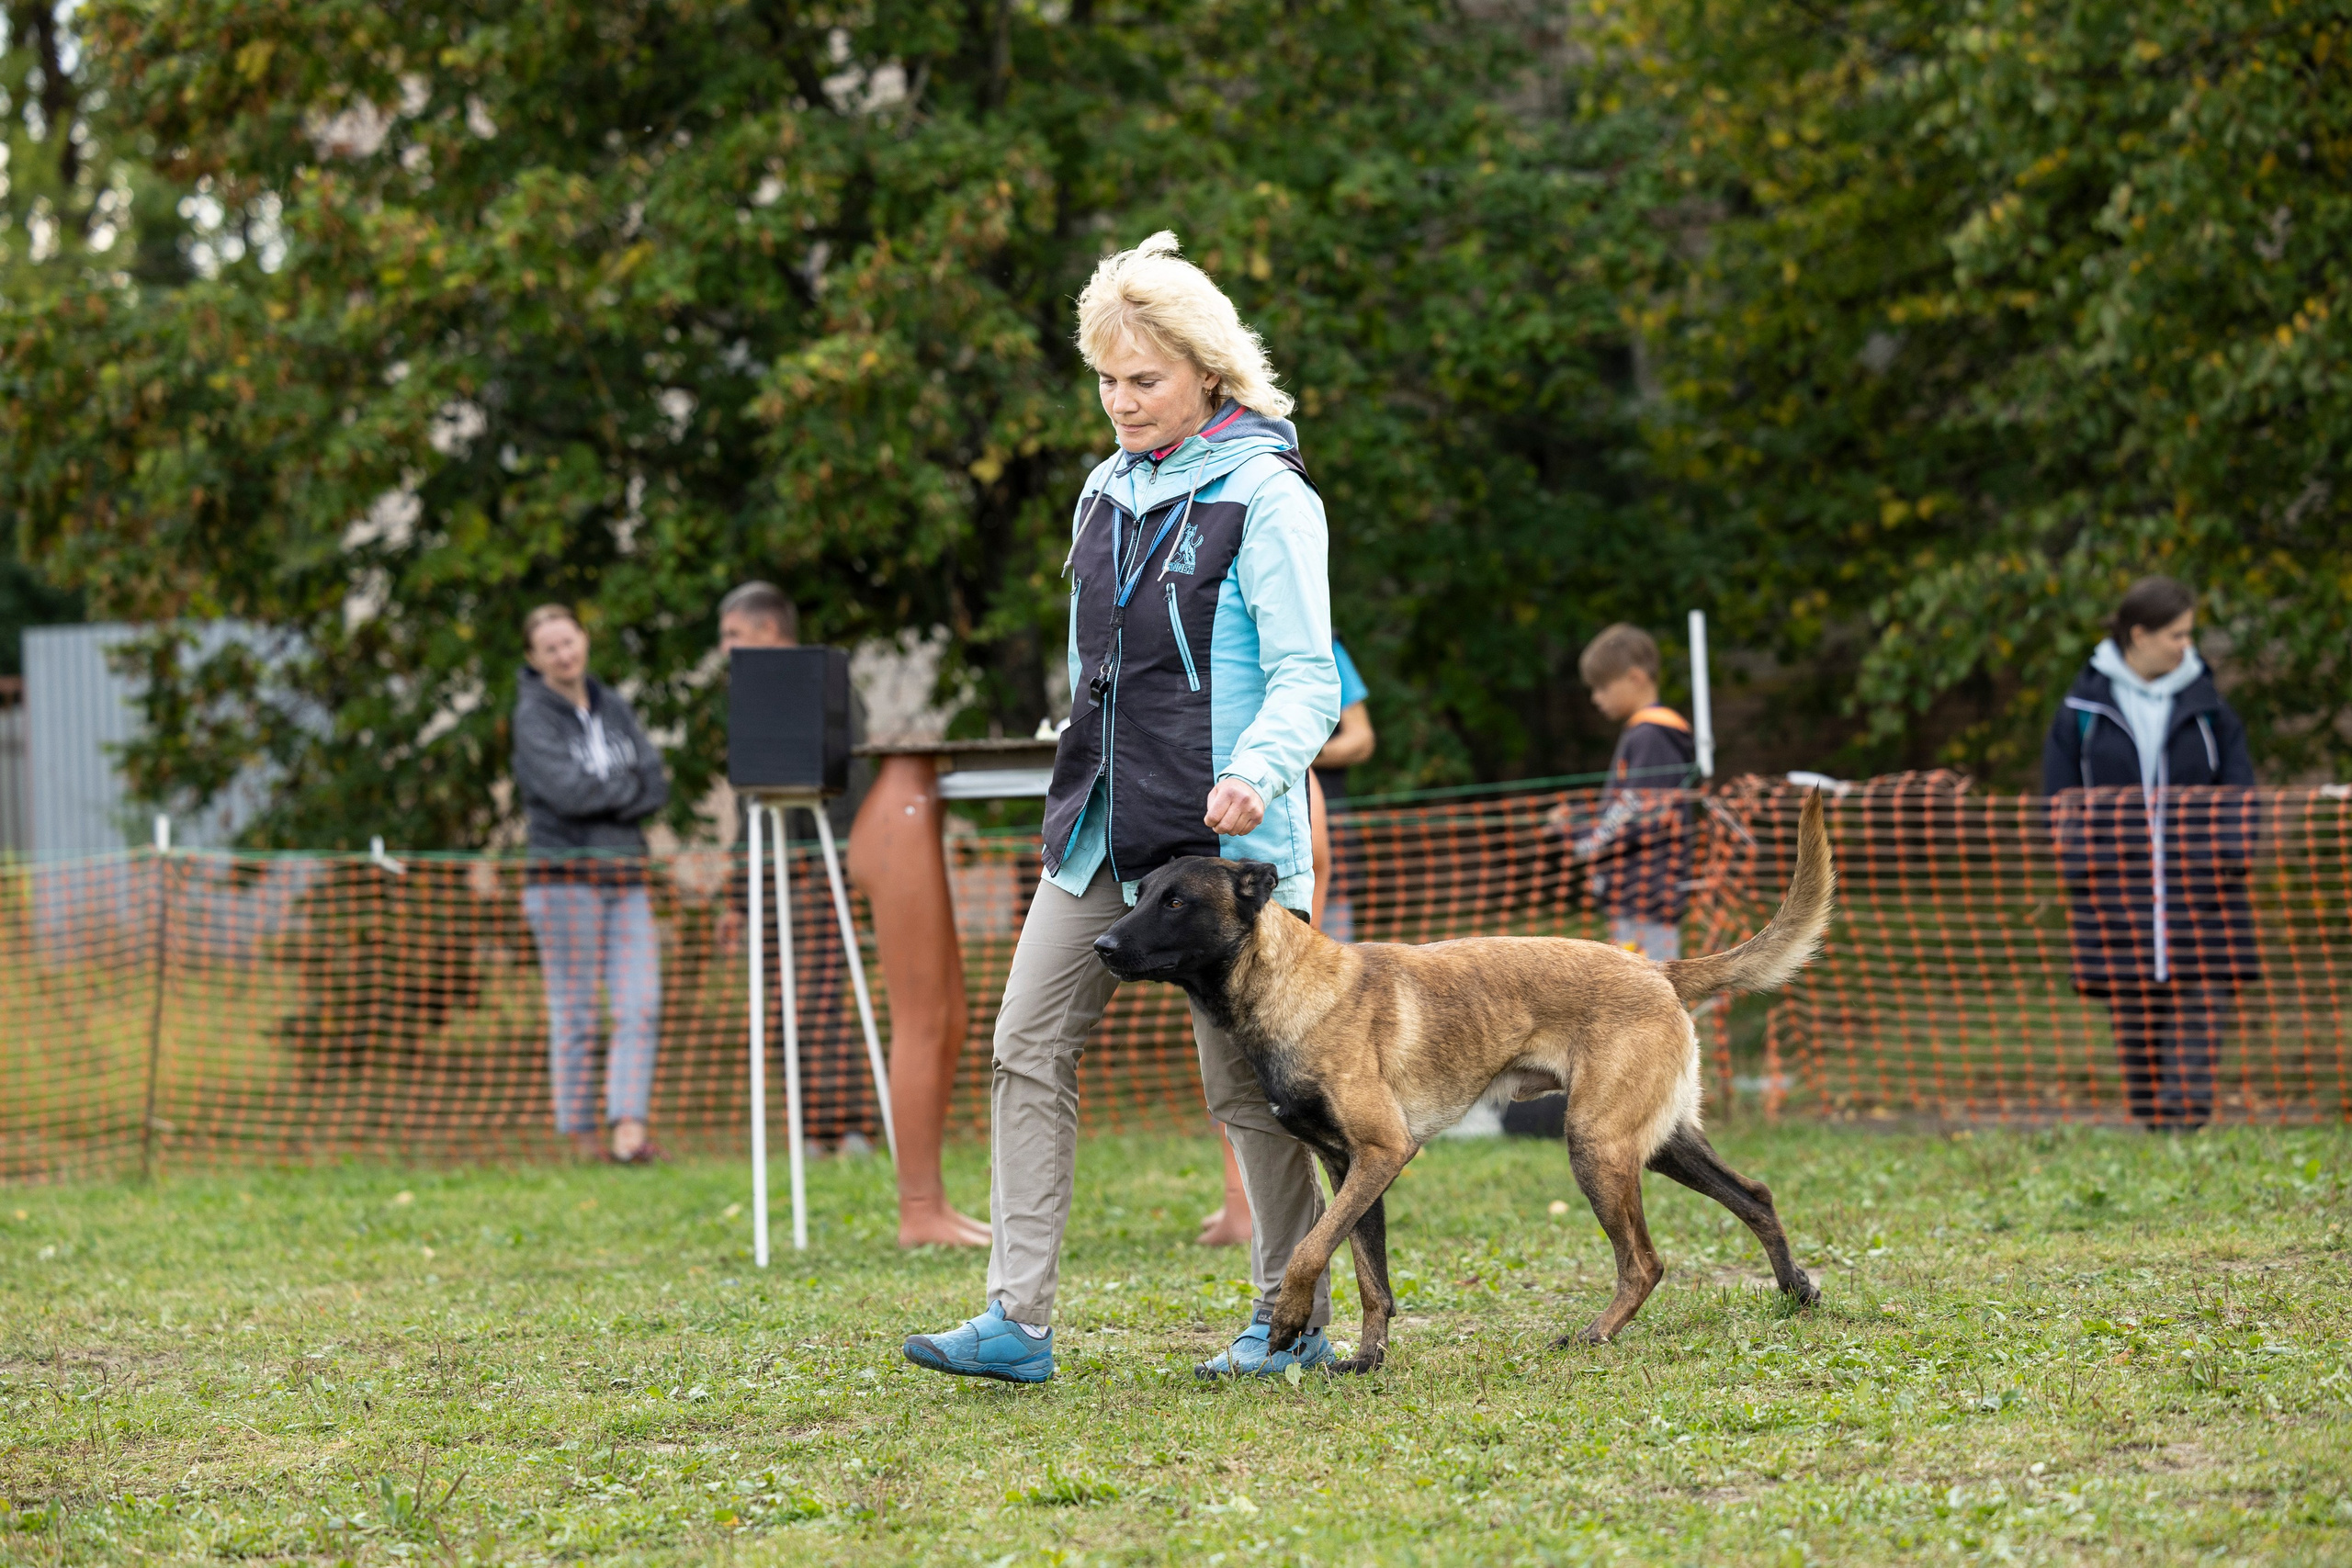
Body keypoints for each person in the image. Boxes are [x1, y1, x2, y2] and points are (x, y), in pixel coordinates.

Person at [901, 231, 1340, 1383]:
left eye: (1143, 379)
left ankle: (1288, 1322)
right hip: (1097, 827)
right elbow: (1096, 664)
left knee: (1247, 1085)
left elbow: (1306, 675)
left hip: (1218, 839)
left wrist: (1256, 770)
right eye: (1105, 379)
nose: (1120, 402)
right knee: (1025, 1042)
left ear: (1208, 370)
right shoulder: (1103, 491)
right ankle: (1015, 1321)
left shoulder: (1267, 494)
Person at [718, 581, 990, 1247]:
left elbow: (846, 788)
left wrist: (833, 863)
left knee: (822, 1005)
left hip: (816, 870)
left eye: (733, 636)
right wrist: (736, 888)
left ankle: (845, 1124)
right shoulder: (757, 700)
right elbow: (751, 807)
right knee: (790, 1008)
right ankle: (812, 1127)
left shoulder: (824, 692)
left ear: (769, 631)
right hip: (773, 873)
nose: (727, 650)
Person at [2042, 576, 2256, 1132]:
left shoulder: (2210, 707)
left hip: (2203, 892)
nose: (2187, 646)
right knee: (2135, 1014)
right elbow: (2059, 797)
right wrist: (2083, 865)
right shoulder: (2081, 709)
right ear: (2139, 634)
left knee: (2202, 1000)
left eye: (2189, 635)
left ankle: (2186, 1123)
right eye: (2176, 635)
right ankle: (2154, 1122)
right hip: (2118, 894)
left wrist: (2229, 854)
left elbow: (2239, 787)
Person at [1198, 636, 1372, 1247]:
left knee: (1280, 1070)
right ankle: (1241, 1205)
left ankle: (1267, 1208)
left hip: (1293, 917)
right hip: (1274, 895)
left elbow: (1358, 738)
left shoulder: (1311, 651)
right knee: (1245, 1067)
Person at [1507, 625, 1697, 1139]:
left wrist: (1582, 837)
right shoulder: (1648, 733)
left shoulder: (1652, 733)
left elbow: (1639, 810)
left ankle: (1654, 1104)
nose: (1595, 699)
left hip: (1648, 894)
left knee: (1645, 999)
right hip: (1634, 892)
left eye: (1601, 687)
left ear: (1634, 678)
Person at [512, 604, 672, 1164]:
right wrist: (626, 792)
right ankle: (581, 1139)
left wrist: (613, 792)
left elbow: (656, 782)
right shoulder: (533, 718)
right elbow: (568, 794)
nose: (564, 654)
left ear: (584, 639)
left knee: (640, 1003)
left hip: (626, 875)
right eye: (550, 648)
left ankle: (629, 1130)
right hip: (563, 880)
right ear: (534, 659)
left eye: (569, 641)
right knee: (576, 1011)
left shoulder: (615, 706)